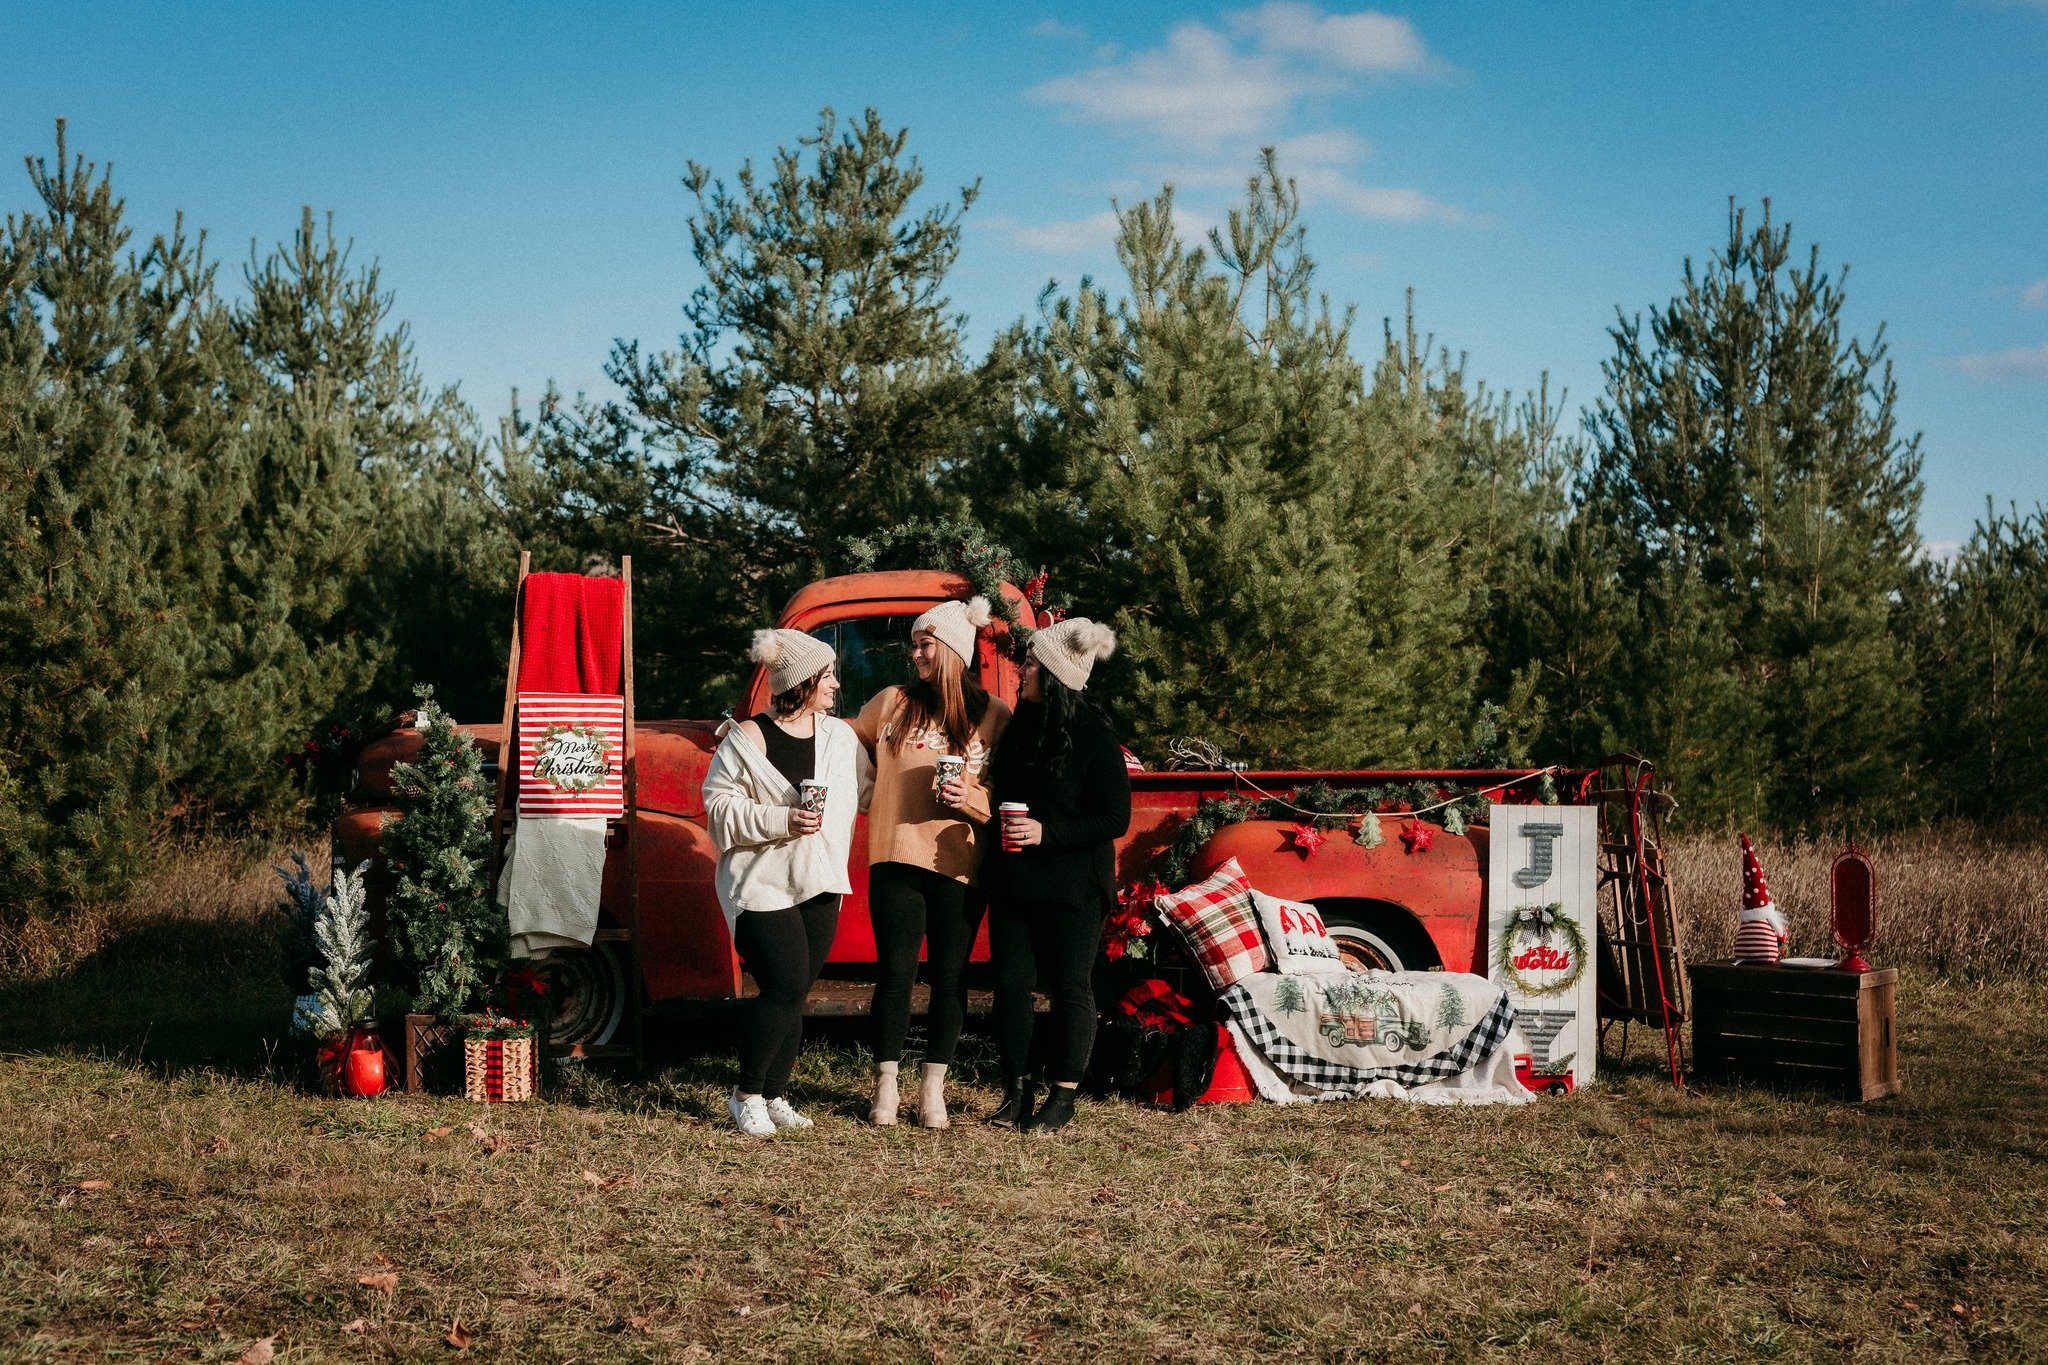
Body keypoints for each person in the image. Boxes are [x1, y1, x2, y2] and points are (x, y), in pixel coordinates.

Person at [702, 629, 871, 1137]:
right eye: (829, 675)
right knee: (784, 984)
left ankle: (775, 1093)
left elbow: (869, 792)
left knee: (796, 991)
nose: (836, 684)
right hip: (760, 881)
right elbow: (717, 808)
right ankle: (746, 1093)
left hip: (818, 878)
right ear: (803, 680)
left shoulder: (840, 738)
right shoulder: (746, 740)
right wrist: (781, 820)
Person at [850, 596, 1011, 1128]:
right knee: (895, 973)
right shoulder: (894, 701)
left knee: (950, 976)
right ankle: (887, 1086)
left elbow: (1007, 789)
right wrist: (868, 790)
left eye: (926, 644)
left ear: (953, 650)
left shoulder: (992, 714)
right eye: (914, 643)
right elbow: (846, 739)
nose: (916, 653)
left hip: (961, 861)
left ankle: (933, 1087)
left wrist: (971, 798)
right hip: (896, 854)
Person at [983, 617, 1130, 1135]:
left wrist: (1049, 833)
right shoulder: (1019, 725)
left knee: (1069, 988)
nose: (1021, 670)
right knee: (1011, 986)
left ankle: (1063, 1096)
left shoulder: (1094, 736)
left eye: (1029, 663)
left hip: (1074, 888)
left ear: (1054, 673)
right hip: (1014, 880)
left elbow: (1115, 819)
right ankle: (1016, 1091)